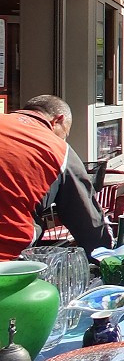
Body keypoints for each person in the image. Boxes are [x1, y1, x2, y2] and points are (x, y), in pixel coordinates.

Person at [0, 95, 112, 260]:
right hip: (9, 256)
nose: (64, 139)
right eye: (65, 133)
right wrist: (105, 255)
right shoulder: (58, 149)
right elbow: (87, 222)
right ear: (57, 120)